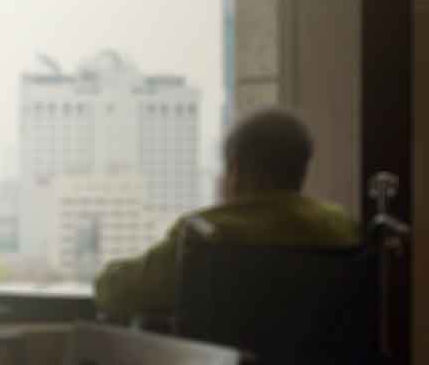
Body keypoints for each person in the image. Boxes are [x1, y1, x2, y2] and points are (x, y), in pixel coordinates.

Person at [94, 108, 361, 319]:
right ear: (302, 171)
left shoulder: (206, 233)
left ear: (234, 170)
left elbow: (118, 291)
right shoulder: (344, 228)